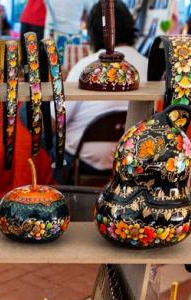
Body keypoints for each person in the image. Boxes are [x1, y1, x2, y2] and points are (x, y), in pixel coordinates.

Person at [59, 0, 145, 175]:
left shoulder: (85, 67)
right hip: (134, 158)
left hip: (84, 160)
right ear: (130, 27)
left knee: (33, 115)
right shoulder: (149, 65)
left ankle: (63, 179)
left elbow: (57, 121)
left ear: (94, 31)